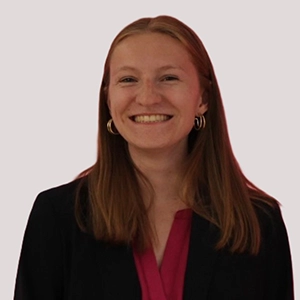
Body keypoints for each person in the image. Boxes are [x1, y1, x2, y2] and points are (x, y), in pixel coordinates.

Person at [14, 15, 294, 299]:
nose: (148, 98)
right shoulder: (57, 216)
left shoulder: (259, 222)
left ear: (203, 99)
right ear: (109, 100)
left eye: (169, 78)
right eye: (128, 79)